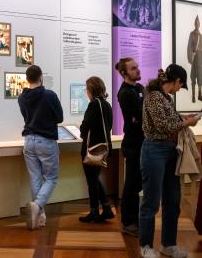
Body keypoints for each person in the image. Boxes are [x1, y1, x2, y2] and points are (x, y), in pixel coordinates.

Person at [139, 64, 199, 258]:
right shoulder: (155, 96)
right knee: (151, 202)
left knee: (172, 201)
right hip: (154, 150)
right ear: (176, 81)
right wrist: (187, 122)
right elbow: (163, 126)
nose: (179, 89)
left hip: (169, 151)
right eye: (180, 85)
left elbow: (168, 121)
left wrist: (183, 118)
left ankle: (168, 244)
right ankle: (146, 246)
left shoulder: (164, 97)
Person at [18, 65, 63, 230]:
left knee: (35, 179)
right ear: (41, 77)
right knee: (51, 178)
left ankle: (39, 218)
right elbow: (59, 117)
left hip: (29, 140)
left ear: (27, 79)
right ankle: (37, 206)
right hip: (46, 140)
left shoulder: (22, 98)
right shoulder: (50, 95)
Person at [115, 57, 144, 236]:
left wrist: (139, 117)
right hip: (133, 144)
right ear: (125, 73)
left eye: (137, 67)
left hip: (141, 142)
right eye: (133, 69)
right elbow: (140, 115)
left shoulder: (139, 89)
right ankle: (128, 222)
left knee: (137, 183)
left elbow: (142, 114)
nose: (138, 70)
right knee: (132, 185)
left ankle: (135, 219)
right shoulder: (125, 93)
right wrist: (138, 117)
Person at [79, 76, 114, 223]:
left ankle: (94, 211)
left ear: (91, 90)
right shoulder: (106, 105)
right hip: (103, 148)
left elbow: (85, 126)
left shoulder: (93, 104)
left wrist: (81, 131)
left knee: (91, 181)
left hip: (91, 148)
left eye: (87, 89)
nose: (86, 92)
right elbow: (109, 126)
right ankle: (106, 208)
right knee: (94, 179)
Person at [187, 15, 202, 102]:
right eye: (196, 23)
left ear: (199, 24)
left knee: (200, 77)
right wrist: (191, 56)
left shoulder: (201, 35)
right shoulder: (191, 34)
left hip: (200, 60)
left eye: (198, 23)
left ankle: (200, 94)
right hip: (194, 58)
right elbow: (189, 46)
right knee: (193, 77)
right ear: (194, 24)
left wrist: (199, 49)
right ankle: (193, 96)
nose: (197, 25)